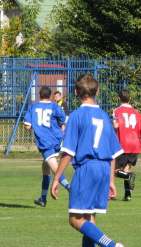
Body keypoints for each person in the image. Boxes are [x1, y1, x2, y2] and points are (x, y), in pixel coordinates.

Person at [51, 74, 125, 247]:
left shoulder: (76, 116)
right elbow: (113, 153)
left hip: (87, 169)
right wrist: (111, 181)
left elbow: (68, 153)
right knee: (89, 218)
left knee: (75, 220)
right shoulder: (104, 116)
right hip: (104, 169)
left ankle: (112, 245)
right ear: (97, 91)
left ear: (76, 92)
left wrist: (57, 178)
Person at [24, 85, 71, 207]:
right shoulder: (55, 106)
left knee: (55, 168)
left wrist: (36, 125)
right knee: (45, 167)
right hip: (56, 139)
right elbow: (63, 119)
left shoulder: (32, 107)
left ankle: (70, 188)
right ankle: (43, 198)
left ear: (39, 95)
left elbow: (28, 126)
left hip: (45, 142)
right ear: (50, 96)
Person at [112, 89, 141, 201]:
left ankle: (127, 177)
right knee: (127, 168)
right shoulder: (137, 114)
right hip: (135, 144)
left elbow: (116, 126)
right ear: (130, 98)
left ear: (119, 98)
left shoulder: (117, 111)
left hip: (122, 144)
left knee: (113, 170)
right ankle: (127, 195)